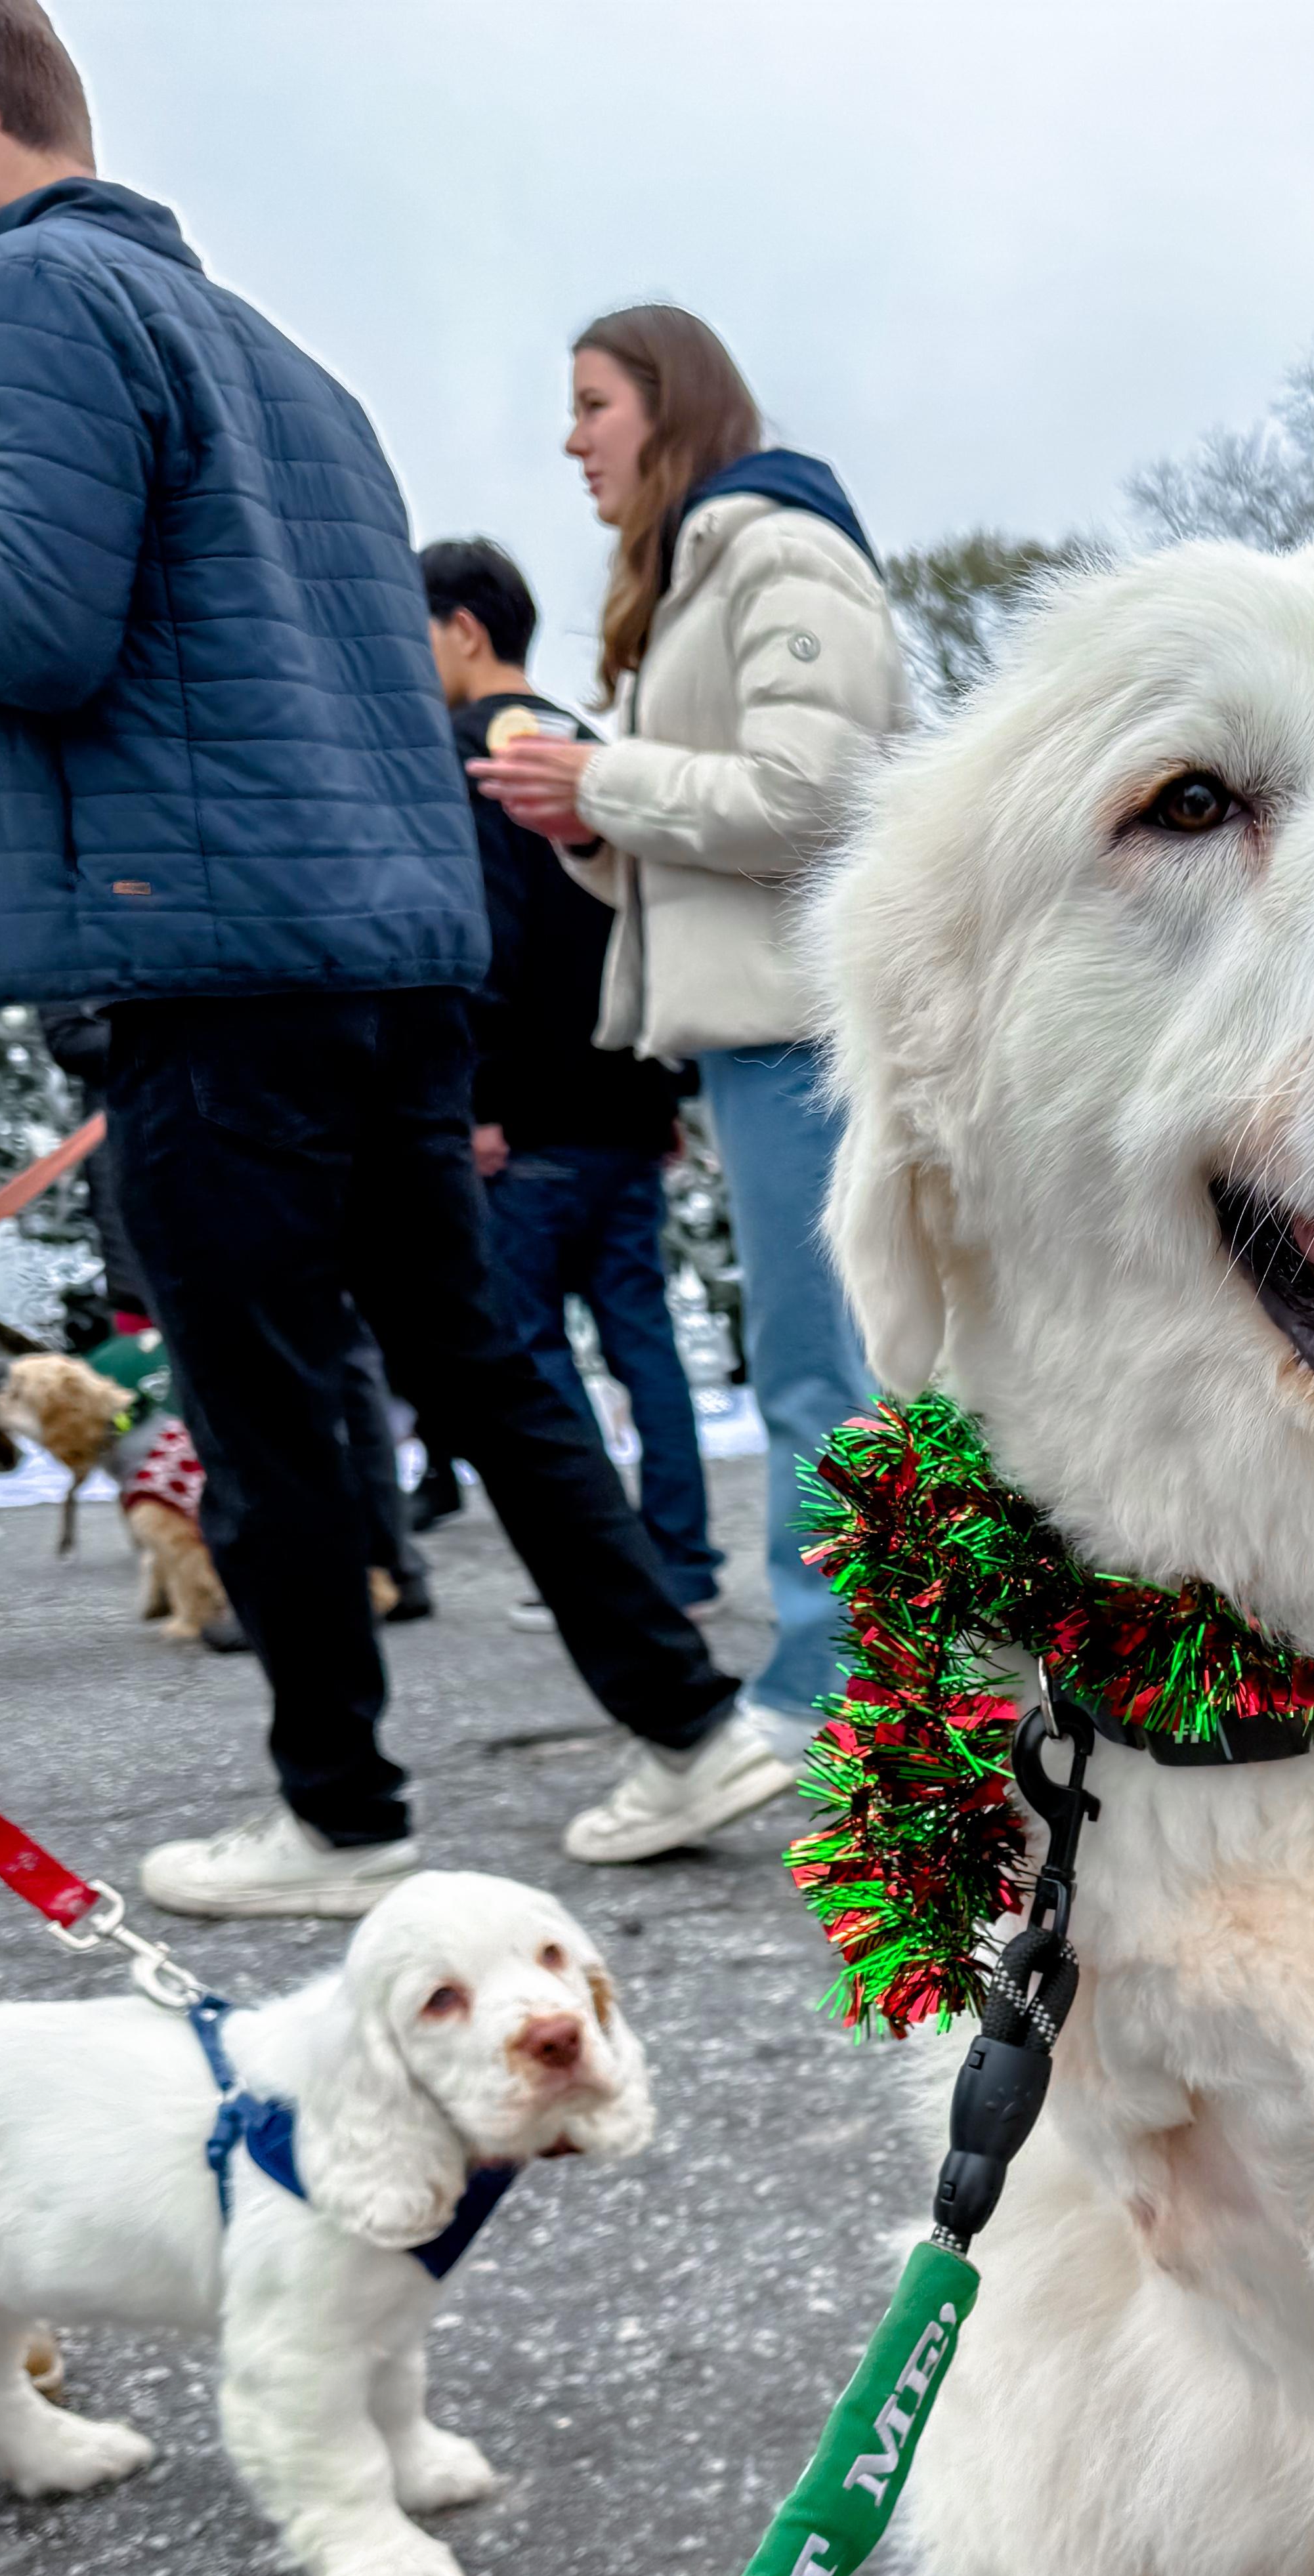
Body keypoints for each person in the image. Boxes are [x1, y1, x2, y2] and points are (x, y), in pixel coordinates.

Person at [0, 2, 792, 1916]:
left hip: (210, 953)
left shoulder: (20, 306)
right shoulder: (292, 363)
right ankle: (686, 1720)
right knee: (479, 1365)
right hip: (386, 955)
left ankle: (336, 1817)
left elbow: (25, 620)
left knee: (257, 1383)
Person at [478, 306, 906, 1758]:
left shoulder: (774, 548)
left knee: (823, 1369)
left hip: (803, 1028)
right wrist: (588, 819)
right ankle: (876, 1654)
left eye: (592, 402)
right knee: (837, 1357)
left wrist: (601, 778)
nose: (573, 437)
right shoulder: (706, 572)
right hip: (762, 1028)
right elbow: (726, 816)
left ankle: (831, 1679)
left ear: (670, 407)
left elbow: (820, 793)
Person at [422, 534, 723, 1626]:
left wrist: (478, 1097)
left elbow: (484, 936)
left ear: (463, 628)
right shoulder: (587, 746)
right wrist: (667, 1087)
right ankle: (682, 1561)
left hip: (529, 1113)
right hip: (627, 1102)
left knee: (533, 1347)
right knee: (641, 1335)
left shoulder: (463, 753)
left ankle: (606, 1579)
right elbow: (648, 916)